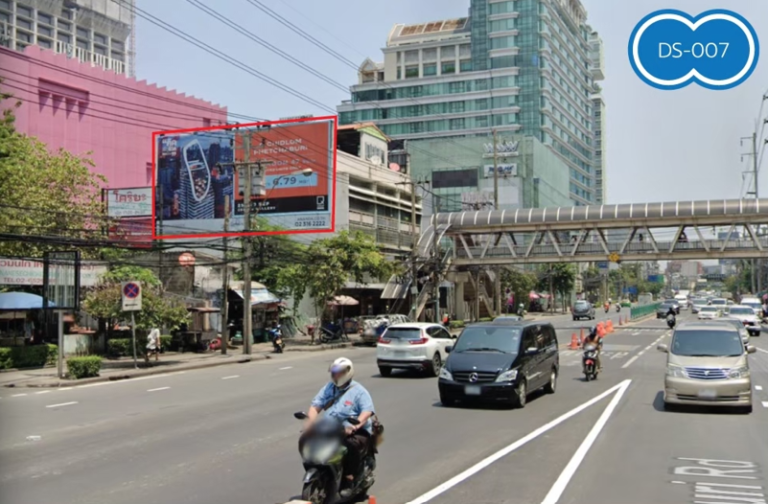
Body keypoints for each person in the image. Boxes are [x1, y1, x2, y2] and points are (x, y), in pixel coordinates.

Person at [302, 358, 375, 498]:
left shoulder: (359, 391)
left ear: (348, 372)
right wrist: (310, 422)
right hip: (331, 428)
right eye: (334, 373)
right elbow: (316, 406)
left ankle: (349, 478)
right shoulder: (329, 388)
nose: (336, 376)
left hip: (356, 430)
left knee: (350, 445)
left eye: (339, 373)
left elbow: (367, 411)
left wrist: (356, 424)